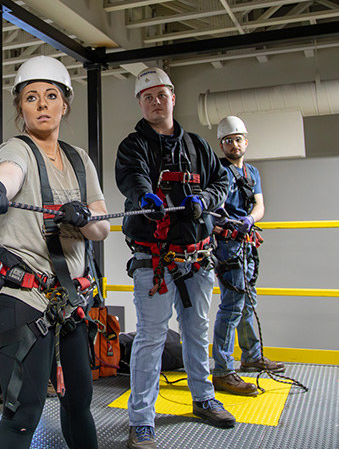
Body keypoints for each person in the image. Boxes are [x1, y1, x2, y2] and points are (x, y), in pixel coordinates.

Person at [0, 55, 110, 449]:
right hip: (21, 294)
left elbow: (102, 228)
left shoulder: (80, 160)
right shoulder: (16, 149)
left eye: (51, 95)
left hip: (69, 299)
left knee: (79, 399)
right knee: (23, 409)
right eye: (31, 97)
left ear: (65, 103)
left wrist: (82, 218)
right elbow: (8, 173)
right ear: (21, 107)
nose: (42, 104)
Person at [115, 67, 234, 449]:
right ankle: (141, 421)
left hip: (198, 258)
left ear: (172, 97)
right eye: (147, 97)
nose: (155, 101)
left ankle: (203, 398)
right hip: (155, 262)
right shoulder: (133, 146)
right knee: (151, 337)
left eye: (160, 95)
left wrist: (207, 201)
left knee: (197, 329)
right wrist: (144, 196)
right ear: (140, 102)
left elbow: (222, 181)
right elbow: (132, 176)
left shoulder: (199, 146)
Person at [211, 116, 285, 396]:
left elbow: (259, 204)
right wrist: (230, 224)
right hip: (227, 245)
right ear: (222, 144)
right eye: (228, 140)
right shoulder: (217, 171)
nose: (234, 144)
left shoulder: (252, 172)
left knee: (247, 301)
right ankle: (223, 369)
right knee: (231, 306)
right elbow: (213, 206)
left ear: (245, 142)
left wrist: (250, 221)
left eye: (238, 139)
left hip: (247, 241)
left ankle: (251, 356)